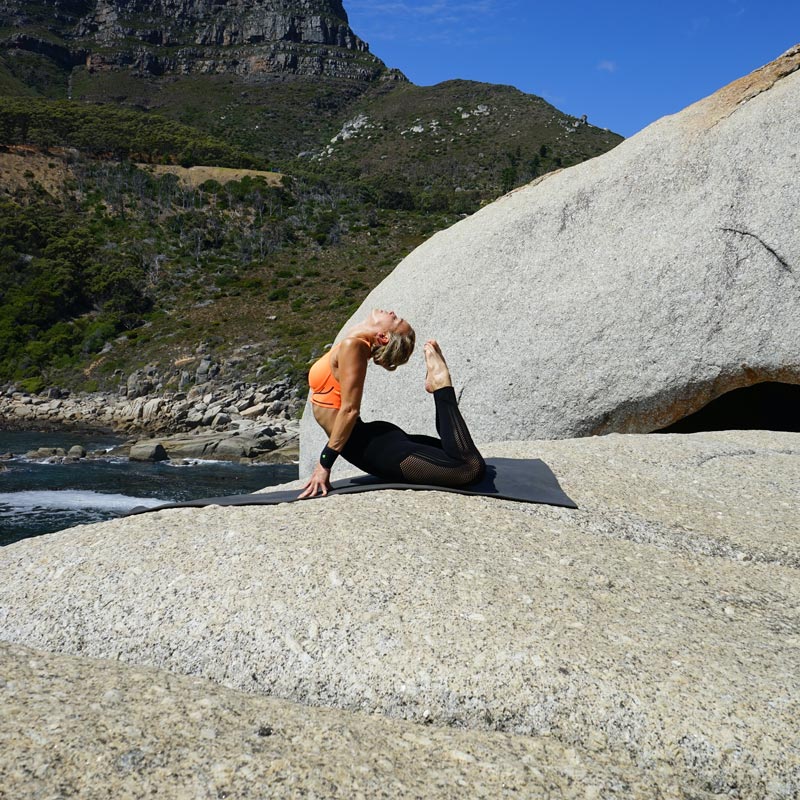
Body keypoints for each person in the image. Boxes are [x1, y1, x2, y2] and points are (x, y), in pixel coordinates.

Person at [299, 308, 485, 498]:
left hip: (374, 449)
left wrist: (324, 464)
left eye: (396, 319)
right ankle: (437, 385)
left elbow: (349, 410)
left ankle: (441, 385)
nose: (392, 312)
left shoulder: (352, 346)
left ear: (383, 336)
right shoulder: (353, 341)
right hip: (375, 438)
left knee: (470, 469)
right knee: (459, 456)